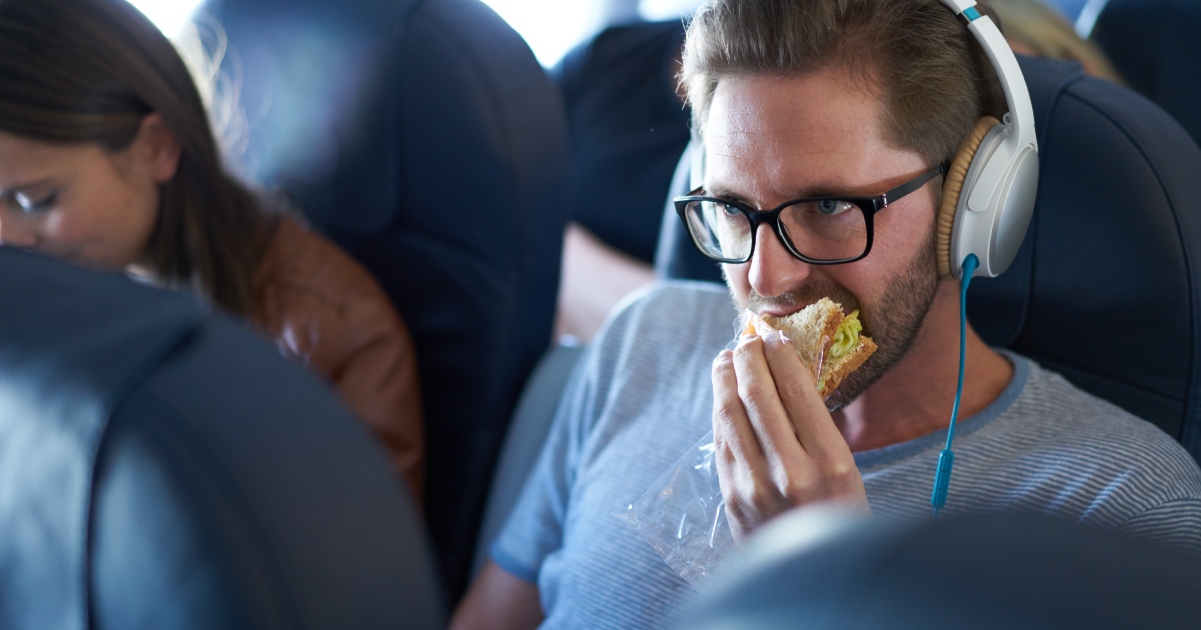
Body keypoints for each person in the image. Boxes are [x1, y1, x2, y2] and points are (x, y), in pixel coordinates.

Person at [451, 0, 1201, 628]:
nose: (762, 278)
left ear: (974, 204)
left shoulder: (1127, 507)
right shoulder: (642, 341)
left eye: (829, 206)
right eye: (731, 209)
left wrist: (827, 568)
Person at [0, 0, 425, 498]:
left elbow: (348, 566)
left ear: (155, 147)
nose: (7, 240)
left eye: (35, 200)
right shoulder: (58, 288)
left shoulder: (332, 337)